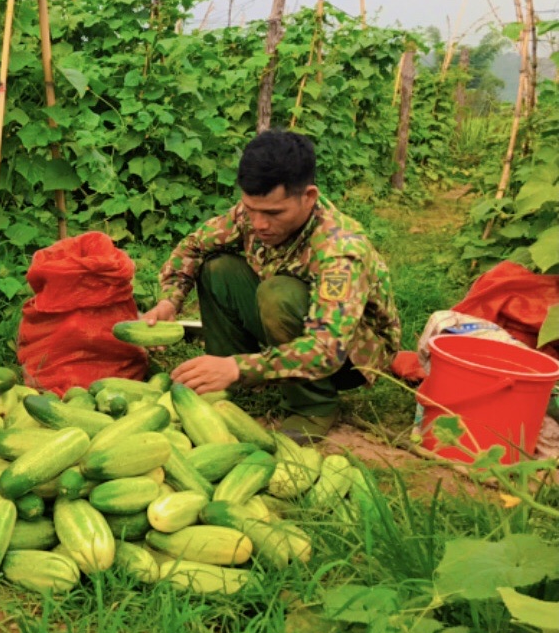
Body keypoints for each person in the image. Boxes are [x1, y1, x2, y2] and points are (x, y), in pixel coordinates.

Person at [142, 129, 400, 443]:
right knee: (217, 267)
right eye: (251, 210)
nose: (260, 224)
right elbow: (194, 246)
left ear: (309, 197)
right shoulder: (251, 215)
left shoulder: (339, 250)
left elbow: (327, 348)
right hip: (292, 331)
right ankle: (227, 382)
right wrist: (171, 301)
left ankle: (314, 405)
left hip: (350, 356)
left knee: (278, 294)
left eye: (273, 213)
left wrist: (238, 366)